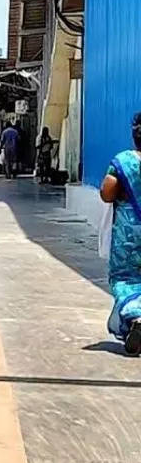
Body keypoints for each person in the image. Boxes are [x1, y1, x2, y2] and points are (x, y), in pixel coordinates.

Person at [100, 113, 141, 354]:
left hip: (129, 234)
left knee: (125, 278)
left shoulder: (124, 161)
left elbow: (107, 193)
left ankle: (136, 317)